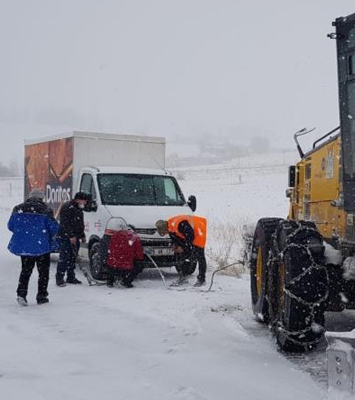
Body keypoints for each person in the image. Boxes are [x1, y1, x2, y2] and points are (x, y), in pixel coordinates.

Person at [7, 188, 59, 306]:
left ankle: (21, 294)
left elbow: (10, 226)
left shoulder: (18, 208)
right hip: (42, 247)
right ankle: (41, 296)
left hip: (25, 247)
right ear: (41, 198)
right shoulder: (46, 210)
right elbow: (54, 228)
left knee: (25, 271)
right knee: (43, 273)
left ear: (29, 197)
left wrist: (24, 232)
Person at [155, 215, 207, 286]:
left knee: (200, 256)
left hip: (199, 230)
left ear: (165, 229)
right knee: (181, 255)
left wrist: (184, 248)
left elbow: (190, 237)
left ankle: (201, 280)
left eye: (164, 233)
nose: (165, 234)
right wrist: (175, 245)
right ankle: (183, 277)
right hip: (189, 234)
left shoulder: (180, 225)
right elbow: (175, 238)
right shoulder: (170, 226)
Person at [55, 191, 89, 287]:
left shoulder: (78, 209)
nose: (85, 203)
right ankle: (59, 278)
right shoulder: (67, 208)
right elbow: (65, 223)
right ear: (78, 200)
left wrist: (82, 235)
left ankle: (70, 277)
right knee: (64, 257)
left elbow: (79, 224)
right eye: (84, 201)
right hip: (65, 237)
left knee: (73, 258)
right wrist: (70, 236)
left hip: (76, 237)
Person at [102, 218, 144, 288]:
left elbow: (110, 249)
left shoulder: (114, 235)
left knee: (110, 261)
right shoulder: (135, 238)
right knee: (139, 266)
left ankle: (110, 281)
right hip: (126, 265)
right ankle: (126, 281)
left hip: (113, 264)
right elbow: (139, 254)